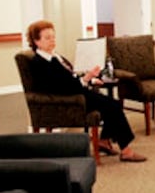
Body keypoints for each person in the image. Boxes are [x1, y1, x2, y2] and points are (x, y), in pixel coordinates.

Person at [26, 20, 147, 162]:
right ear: (36, 41)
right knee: (113, 106)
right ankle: (126, 151)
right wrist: (86, 79)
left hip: (76, 92)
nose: (52, 40)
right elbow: (61, 87)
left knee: (111, 104)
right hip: (72, 99)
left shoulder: (52, 57)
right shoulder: (40, 63)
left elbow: (69, 78)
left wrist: (89, 79)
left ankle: (104, 141)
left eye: (53, 37)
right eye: (47, 38)